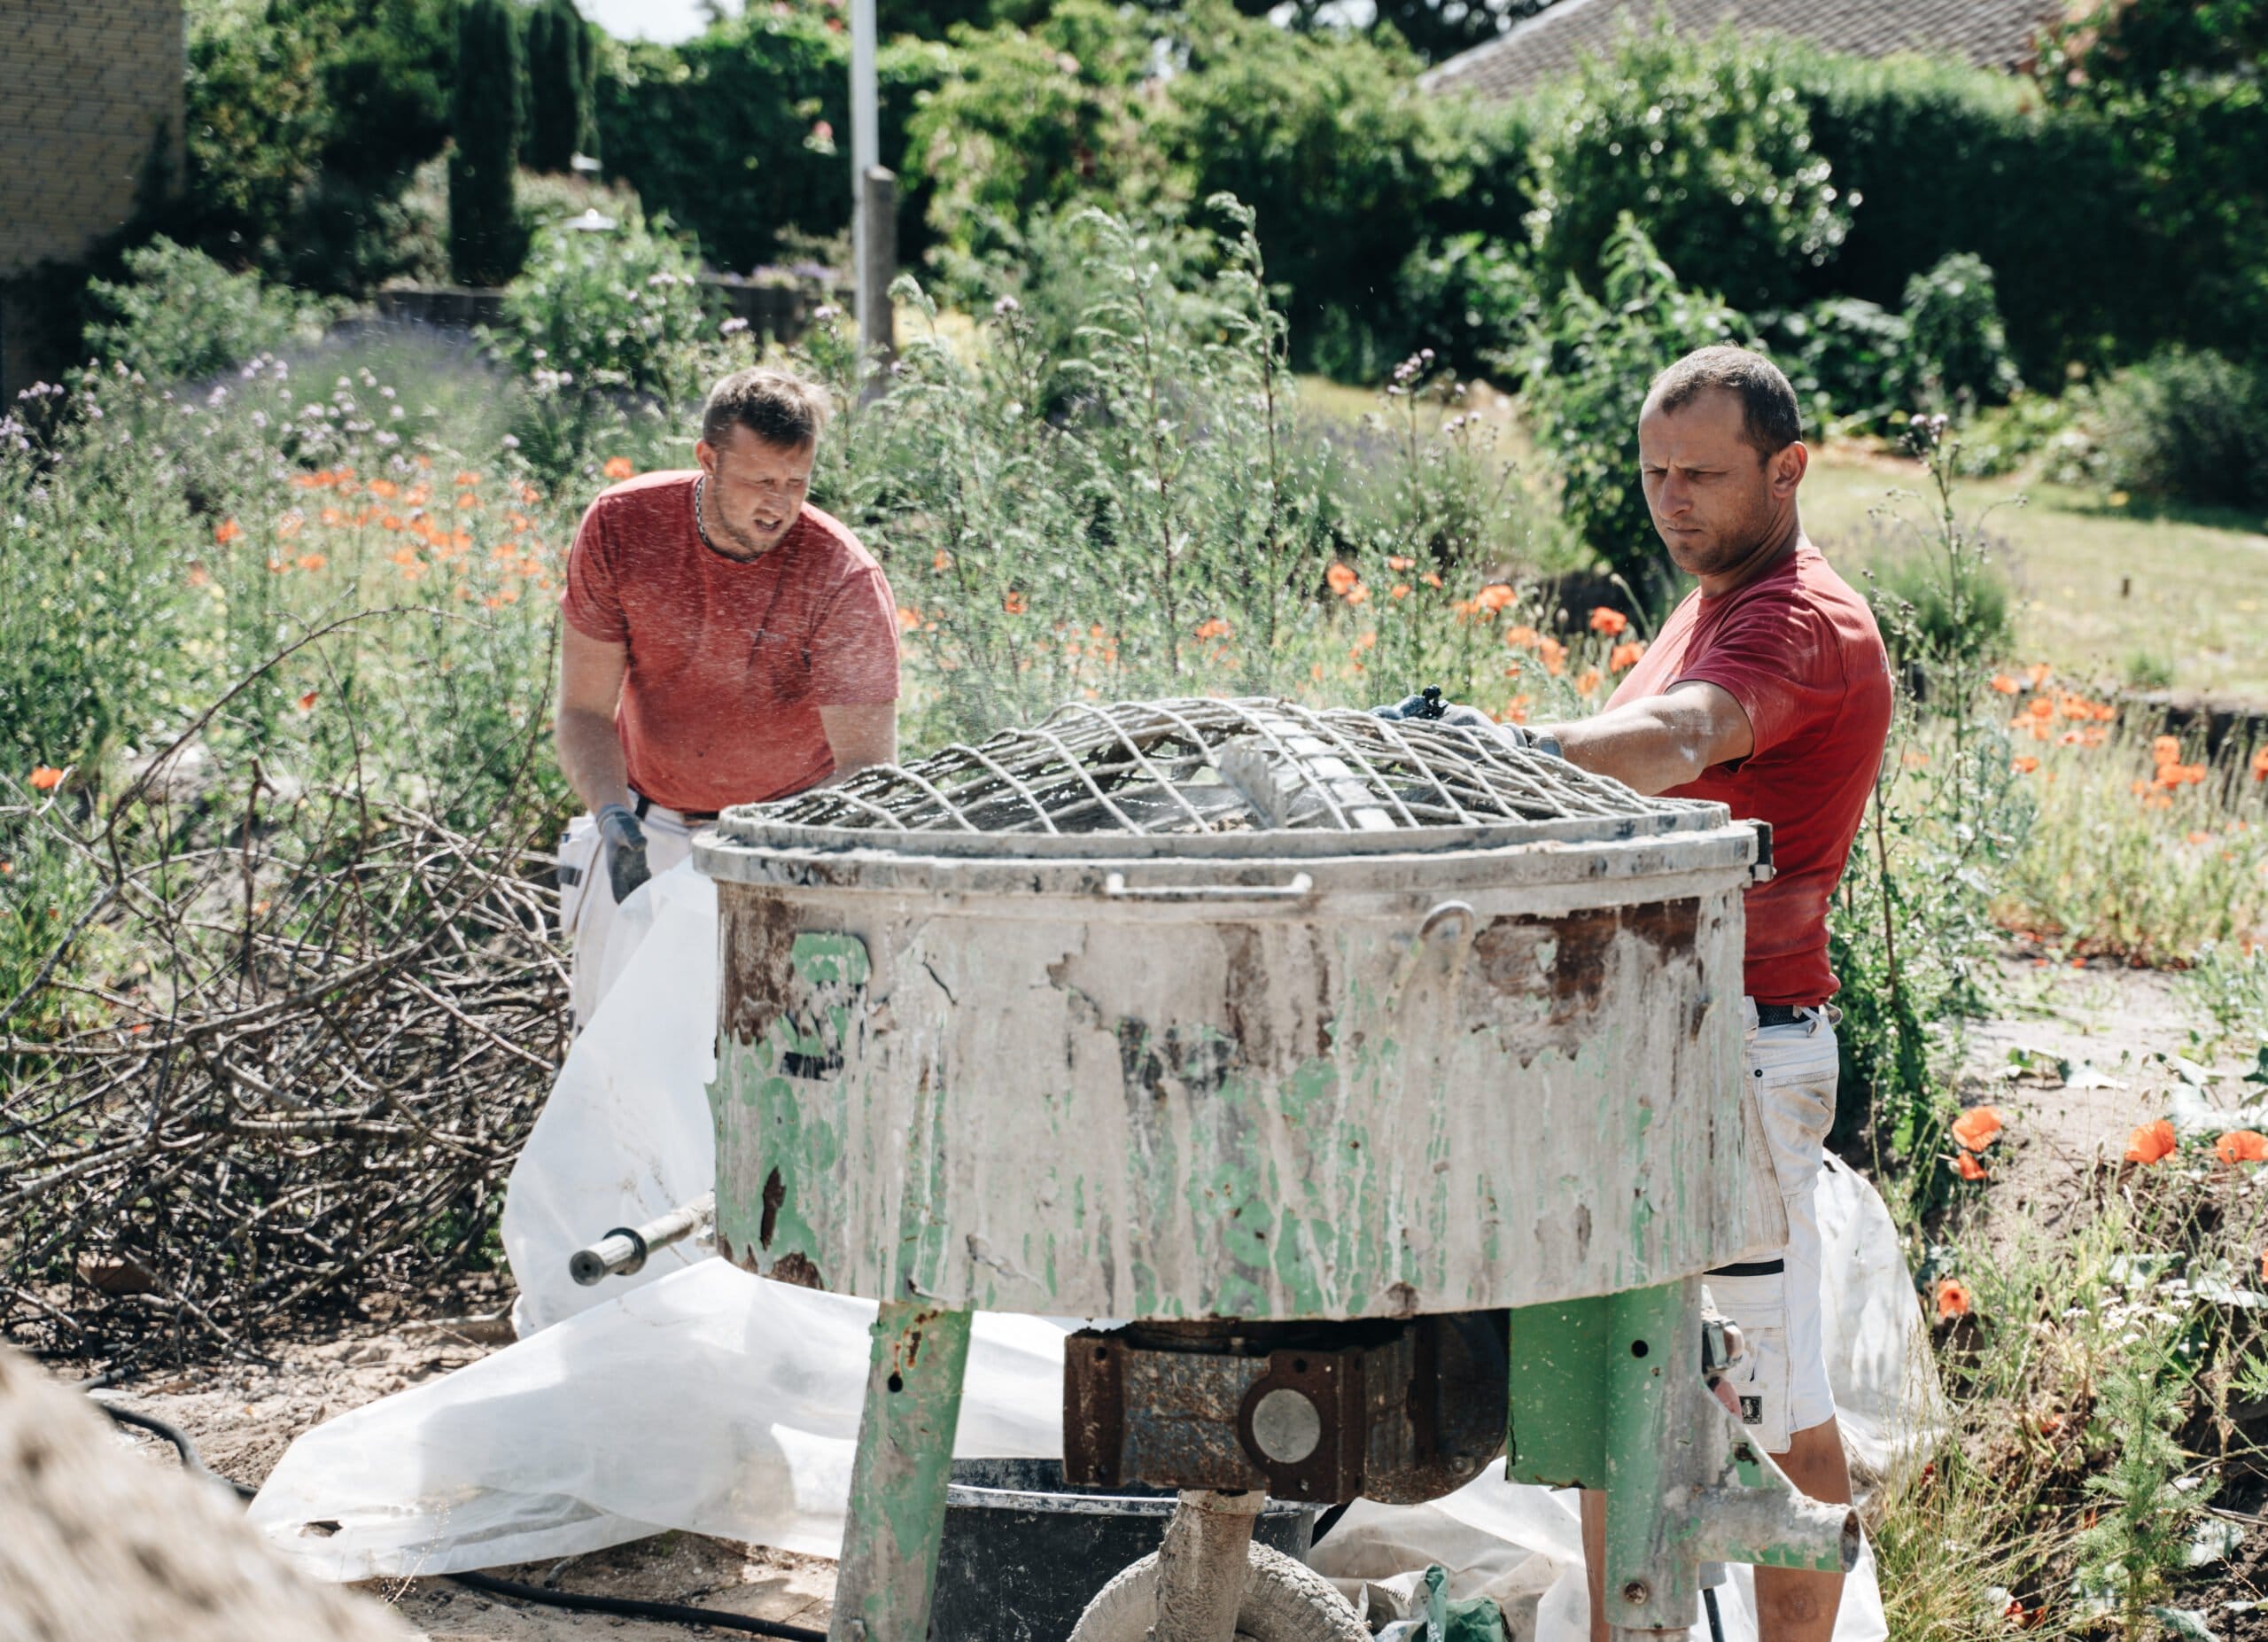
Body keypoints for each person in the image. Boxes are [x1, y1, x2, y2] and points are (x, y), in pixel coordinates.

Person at [1390, 346, 1891, 1642]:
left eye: (1704, 475)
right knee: (1623, 1391)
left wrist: (1494, 751)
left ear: (1787, 469)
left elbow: (1676, 740)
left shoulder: (1795, 618)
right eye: (1656, 472)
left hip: (1735, 1048)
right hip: (1648, 1040)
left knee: (1769, 1400)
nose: (1673, 500)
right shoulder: (1708, 602)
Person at [554, 367, 901, 1028]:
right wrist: (612, 816)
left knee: (767, 1057)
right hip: (643, 822)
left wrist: (756, 847)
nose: (780, 504)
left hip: (782, 839)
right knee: (614, 1053)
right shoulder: (623, 525)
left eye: (797, 483)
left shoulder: (842, 575)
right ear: (707, 459)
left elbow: (867, 771)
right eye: (760, 481)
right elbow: (583, 713)